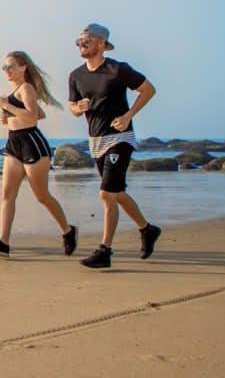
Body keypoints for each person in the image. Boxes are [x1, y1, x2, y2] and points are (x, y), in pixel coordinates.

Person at [68, 23, 161, 269]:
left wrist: (129, 115)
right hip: (96, 141)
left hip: (120, 139)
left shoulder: (118, 69)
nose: (81, 44)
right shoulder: (76, 75)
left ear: (101, 43)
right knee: (116, 193)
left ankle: (105, 250)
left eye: (86, 40)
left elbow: (148, 89)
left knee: (106, 193)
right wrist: (79, 108)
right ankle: (147, 229)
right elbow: (73, 108)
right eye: (78, 41)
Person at [0, 52, 77, 258]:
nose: (7, 71)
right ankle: (3, 242)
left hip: (32, 144)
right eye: (4, 67)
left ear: (23, 67)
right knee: (7, 194)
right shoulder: (16, 91)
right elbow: (39, 113)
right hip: (13, 143)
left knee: (41, 196)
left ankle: (68, 231)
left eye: (11, 66)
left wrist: (6, 106)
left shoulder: (26, 88)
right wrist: (9, 117)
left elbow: (32, 117)